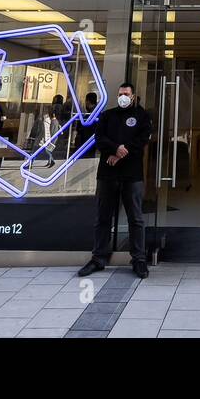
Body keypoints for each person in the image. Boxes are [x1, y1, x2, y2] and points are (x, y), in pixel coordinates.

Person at [79, 82, 152, 280]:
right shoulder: (108, 115)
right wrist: (114, 149)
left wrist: (120, 153)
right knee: (103, 218)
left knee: (135, 219)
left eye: (126, 93)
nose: (123, 97)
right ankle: (98, 258)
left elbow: (142, 140)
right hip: (107, 175)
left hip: (132, 175)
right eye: (120, 94)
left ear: (133, 95)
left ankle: (138, 259)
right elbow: (99, 138)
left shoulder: (142, 116)